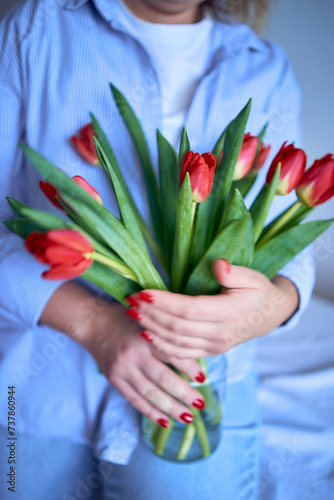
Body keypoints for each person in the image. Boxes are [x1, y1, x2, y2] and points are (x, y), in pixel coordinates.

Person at [0, 0, 315, 499]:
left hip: (200, 387)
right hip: (36, 382)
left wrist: (269, 308)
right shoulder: (36, 29)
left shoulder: (263, 66)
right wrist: (94, 324)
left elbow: (288, 251)